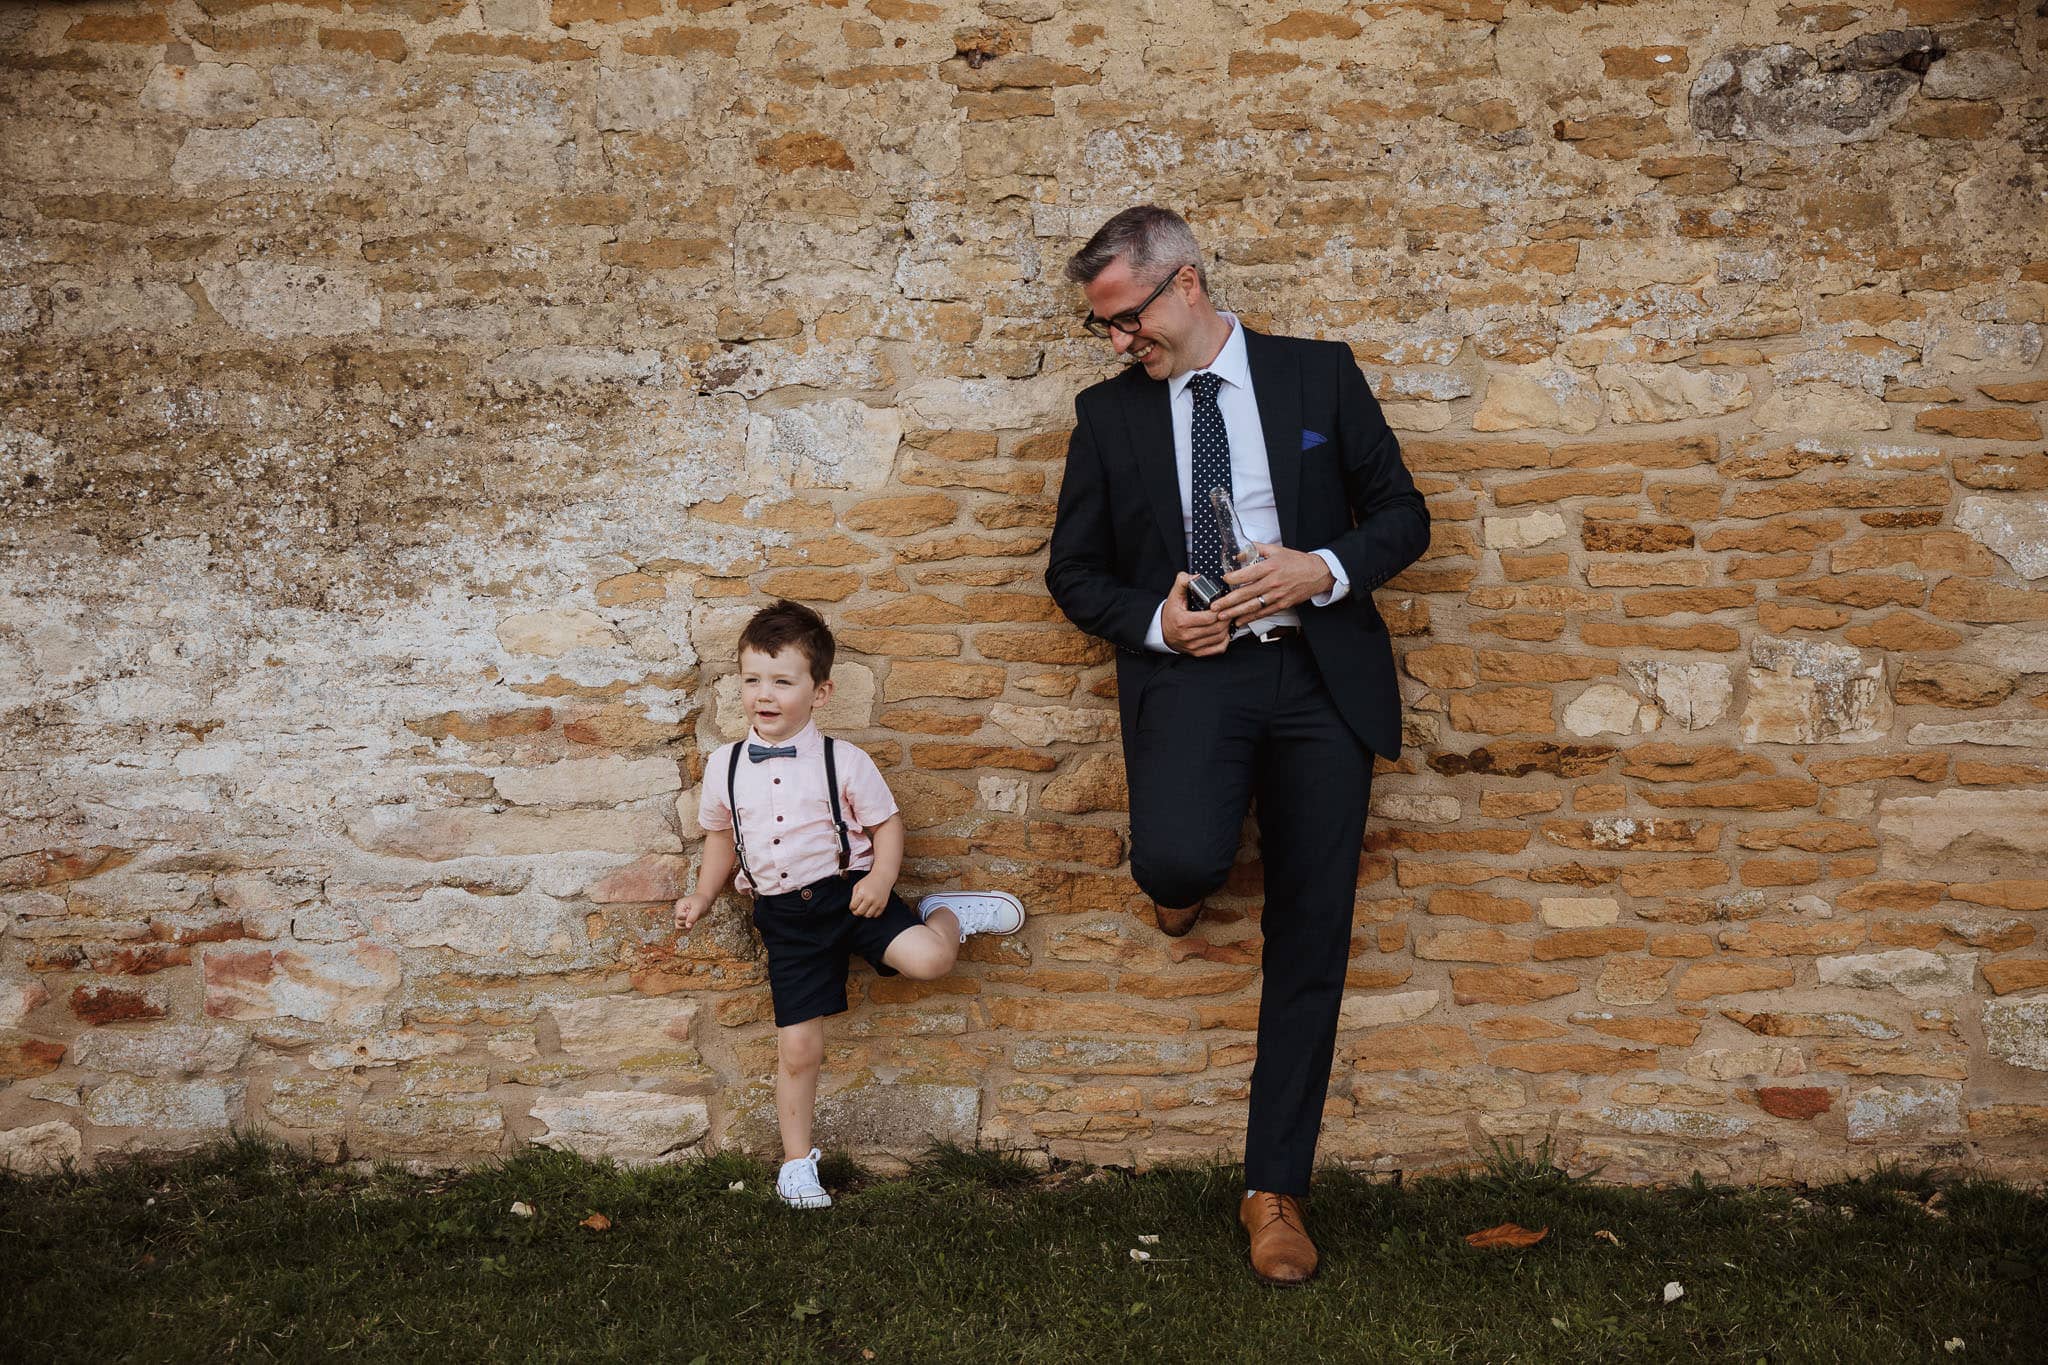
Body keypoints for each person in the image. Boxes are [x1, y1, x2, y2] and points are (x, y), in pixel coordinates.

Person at [1045, 205, 1430, 1285]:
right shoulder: (1107, 418)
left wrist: (1324, 568)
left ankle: (1274, 1193)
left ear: (1187, 286)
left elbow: (1403, 514)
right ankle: (1177, 888)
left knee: (1310, 932)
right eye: (1104, 329)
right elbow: (1071, 572)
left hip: (1317, 677)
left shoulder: (1317, 376)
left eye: (1126, 321)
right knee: (1174, 858)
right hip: (1193, 678)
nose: (1120, 344)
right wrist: (1159, 619)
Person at [676, 599, 1025, 1209]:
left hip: (853, 894)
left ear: (821, 691)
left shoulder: (845, 761)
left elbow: (887, 823)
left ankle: (946, 912)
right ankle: (795, 1165)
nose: (765, 694)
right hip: (785, 919)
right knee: (798, 1047)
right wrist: (704, 893)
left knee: (929, 961)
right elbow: (720, 837)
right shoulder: (724, 765)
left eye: (783, 681)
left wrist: (882, 881)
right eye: (752, 679)